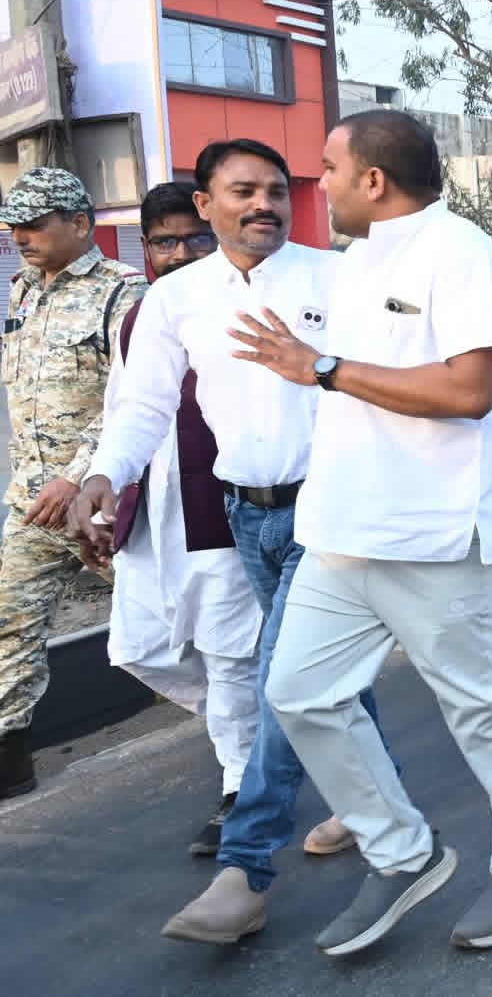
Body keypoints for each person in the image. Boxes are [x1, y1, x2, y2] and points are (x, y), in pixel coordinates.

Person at [229, 109, 492, 955]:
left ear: (373, 180)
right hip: (343, 529)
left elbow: (469, 390)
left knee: (479, 707)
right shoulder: (354, 262)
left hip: (438, 531)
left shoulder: (463, 256)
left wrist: (325, 369)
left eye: (330, 170)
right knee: (298, 690)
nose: (321, 185)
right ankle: (401, 848)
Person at [77, 140, 378, 944]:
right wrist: (106, 473)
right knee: (330, 669)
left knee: (286, 674)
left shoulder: (335, 276)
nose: (264, 204)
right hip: (248, 515)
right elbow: (140, 404)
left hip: (331, 511)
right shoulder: (175, 299)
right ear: (204, 204)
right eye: (243, 191)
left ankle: (245, 869)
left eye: (277, 191)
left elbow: (385, 377)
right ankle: (369, 803)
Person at [88, 182, 261, 855]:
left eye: (193, 236)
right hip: (150, 503)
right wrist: (101, 488)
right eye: (164, 240)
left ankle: (242, 785)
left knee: (227, 649)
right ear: (147, 248)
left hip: (220, 504)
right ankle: (271, 735)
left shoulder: (244, 304)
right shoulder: (139, 316)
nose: (180, 251)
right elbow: (123, 411)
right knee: (139, 646)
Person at [0, 167, 146, 800]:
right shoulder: (22, 291)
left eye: (35, 225)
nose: (21, 238)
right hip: (31, 503)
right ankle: (9, 761)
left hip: (98, 500)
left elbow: (132, 400)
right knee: (7, 620)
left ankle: (250, 740)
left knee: (166, 620)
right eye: (14, 227)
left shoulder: (124, 292)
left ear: (81, 224)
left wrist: (75, 475)